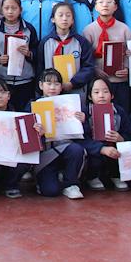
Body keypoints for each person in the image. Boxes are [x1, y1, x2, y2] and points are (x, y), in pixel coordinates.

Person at [32, 69, 86, 199]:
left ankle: (71, 184)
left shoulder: (71, 103)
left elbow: (85, 133)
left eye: (56, 84)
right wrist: (36, 132)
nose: (52, 87)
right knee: (50, 191)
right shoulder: (33, 105)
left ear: (61, 87)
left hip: (66, 148)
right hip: (46, 154)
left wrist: (82, 121)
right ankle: (45, 179)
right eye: (48, 83)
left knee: (77, 150)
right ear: (41, 85)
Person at [82, 0, 131, 112]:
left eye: (109, 2)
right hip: (98, 82)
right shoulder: (88, 30)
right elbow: (86, 57)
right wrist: (95, 69)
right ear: (95, 6)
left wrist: (127, 69)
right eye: (101, 2)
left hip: (119, 81)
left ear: (115, 7)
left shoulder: (124, 29)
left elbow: (130, 53)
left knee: (121, 113)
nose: (105, 5)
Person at [0, 0, 39, 111]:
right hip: (3, 81)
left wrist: (29, 53)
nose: (10, 11)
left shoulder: (29, 29)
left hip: (25, 80)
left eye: (14, 8)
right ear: (1, 9)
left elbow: (37, 50)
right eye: (6, 8)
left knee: (23, 112)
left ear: (20, 10)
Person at [79, 76, 129, 192]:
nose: (101, 95)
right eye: (96, 92)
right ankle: (92, 177)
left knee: (121, 150)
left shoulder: (119, 111)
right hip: (95, 150)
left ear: (112, 95)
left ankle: (116, 175)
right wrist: (101, 148)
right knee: (93, 155)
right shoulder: (85, 113)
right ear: (90, 96)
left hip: (113, 147)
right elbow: (82, 139)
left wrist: (121, 138)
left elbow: (129, 133)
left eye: (105, 92)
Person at [37, 3, 95, 94]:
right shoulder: (45, 42)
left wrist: (73, 83)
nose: (64, 19)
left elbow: (88, 67)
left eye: (68, 16)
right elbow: (39, 68)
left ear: (72, 20)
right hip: (51, 91)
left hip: (76, 90)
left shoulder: (81, 42)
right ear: (53, 19)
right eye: (60, 15)